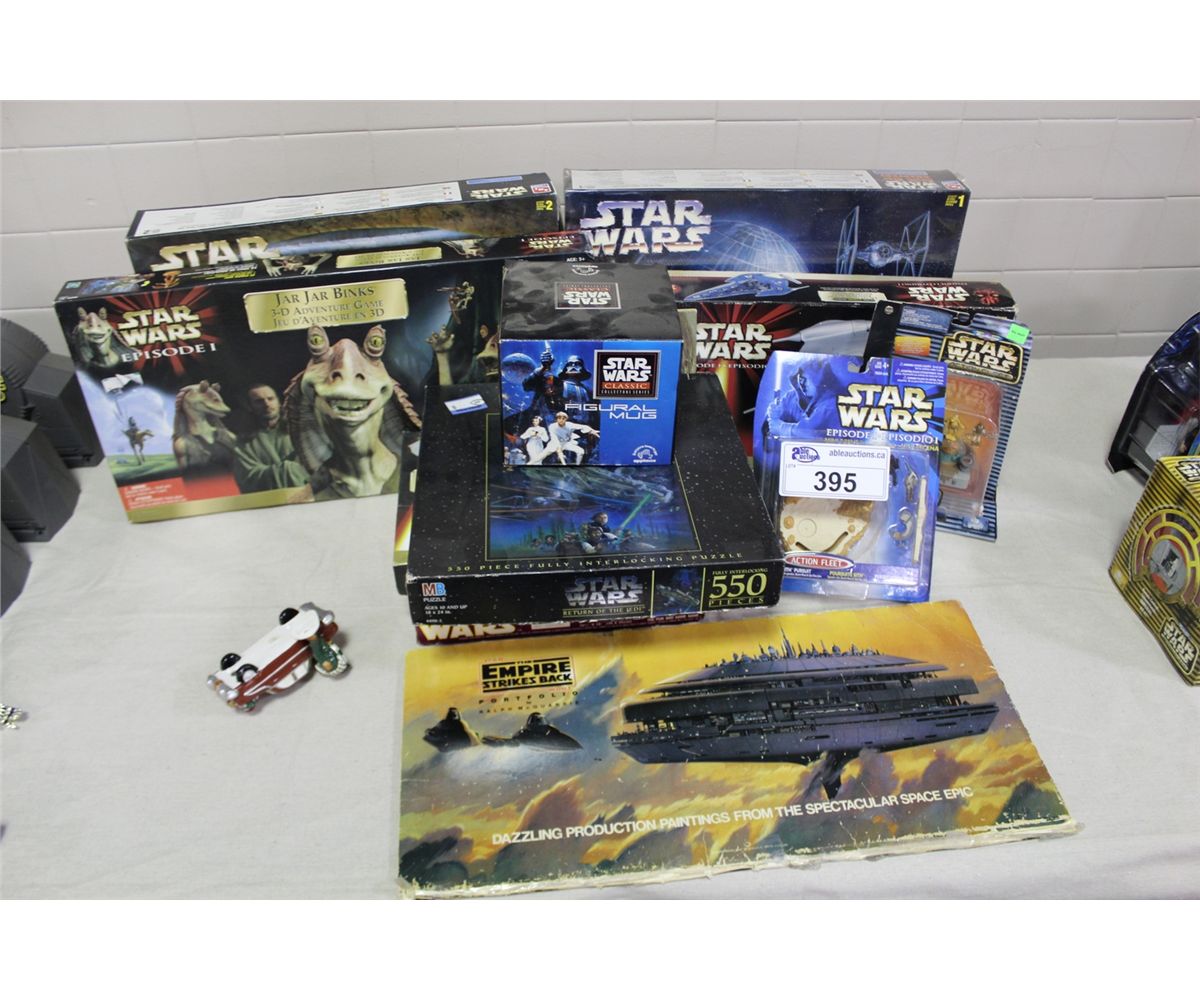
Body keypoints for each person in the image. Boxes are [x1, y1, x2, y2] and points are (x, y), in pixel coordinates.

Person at [233, 383, 309, 492]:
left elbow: (318, 466)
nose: (266, 404)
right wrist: (286, 470)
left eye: (270, 399)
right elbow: (247, 477)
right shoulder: (244, 441)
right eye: (259, 401)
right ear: (250, 407)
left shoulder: (301, 429)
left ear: (279, 402)